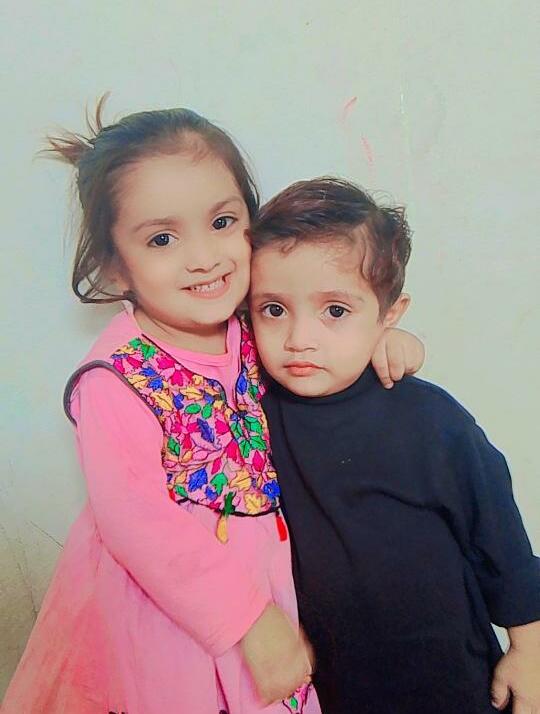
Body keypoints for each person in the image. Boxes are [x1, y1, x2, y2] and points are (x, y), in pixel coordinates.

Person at [2, 106, 424, 714]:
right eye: (162, 239)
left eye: (223, 222)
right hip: (168, 615)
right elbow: (136, 522)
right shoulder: (116, 377)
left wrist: (379, 340)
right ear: (115, 264)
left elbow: (317, 337)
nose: (203, 257)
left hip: (262, 589)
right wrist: (249, 620)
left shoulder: (257, 326)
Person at [249, 177, 540, 714]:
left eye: (335, 311)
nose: (298, 339)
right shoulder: (253, 414)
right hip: (335, 687)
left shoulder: (427, 417)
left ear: (389, 315)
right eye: (273, 309)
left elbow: (497, 531)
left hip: (451, 679)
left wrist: (530, 647)